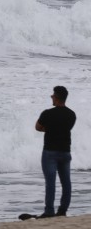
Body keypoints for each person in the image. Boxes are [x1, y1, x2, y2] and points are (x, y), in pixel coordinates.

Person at [35, 85, 76, 218]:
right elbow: (65, 128)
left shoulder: (47, 113)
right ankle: (63, 210)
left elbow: (38, 127)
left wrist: (49, 129)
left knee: (50, 182)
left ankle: (49, 211)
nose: (51, 97)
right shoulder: (71, 114)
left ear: (57, 97)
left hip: (50, 152)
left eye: (53, 95)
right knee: (66, 182)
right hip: (65, 152)